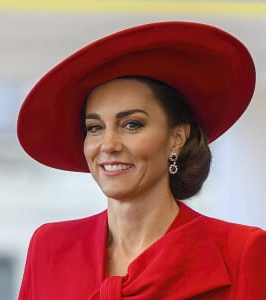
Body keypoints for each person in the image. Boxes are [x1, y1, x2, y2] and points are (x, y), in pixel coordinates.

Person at [17, 22, 266, 299]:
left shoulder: (240, 251)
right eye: (95, 128)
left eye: (132, 124)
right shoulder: (49, 247)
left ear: (177, 138)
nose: (108, 144)